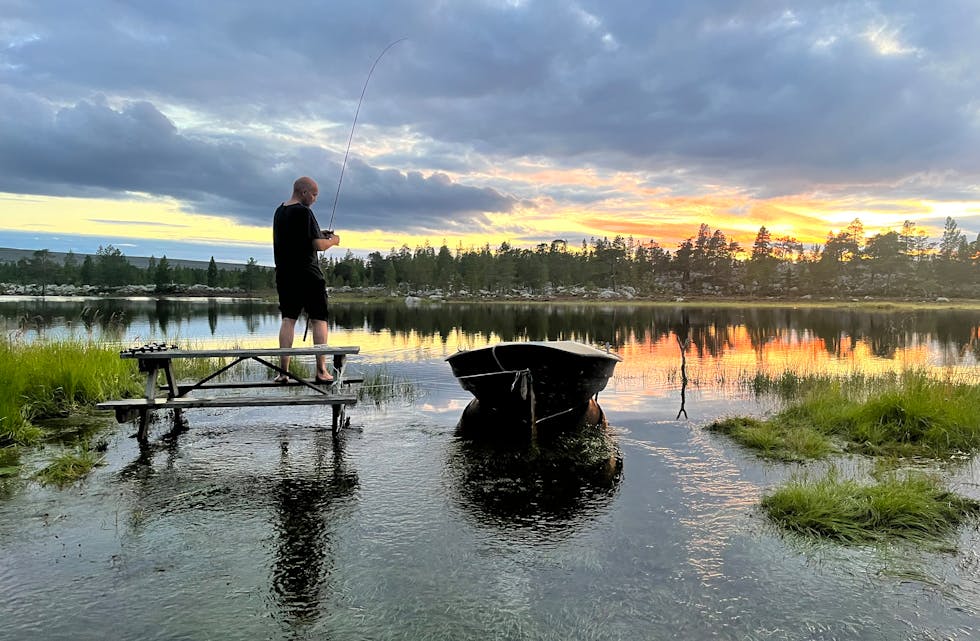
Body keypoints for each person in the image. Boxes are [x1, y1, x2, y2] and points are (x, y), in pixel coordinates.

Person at [272, 176, 341, 383]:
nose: (315, 198)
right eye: (314, 194)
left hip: (285, 275)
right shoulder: (304, 212)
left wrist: (320, 233)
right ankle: (321, 371)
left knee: (288, 320)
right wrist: (333, 241)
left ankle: (283, 373)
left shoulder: (280, 211)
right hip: (309, 275)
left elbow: (298, 237)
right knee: (320, 320)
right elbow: (317, 245)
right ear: (303, 192)